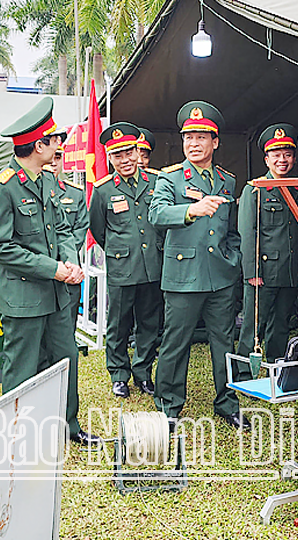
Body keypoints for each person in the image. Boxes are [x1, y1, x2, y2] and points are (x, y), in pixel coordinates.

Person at [0, 96, 100, 446]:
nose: (59, 146)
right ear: (38, 145)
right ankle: (15, 435)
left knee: (66, 360)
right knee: (21, 368)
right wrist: (53, 269)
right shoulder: (2, 187)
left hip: (57, 295)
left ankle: (69, 426)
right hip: (24, 297)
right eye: (54, 140)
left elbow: (63, 229)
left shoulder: (48, 182)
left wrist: (68, 262)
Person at [148, 101, 248, 429]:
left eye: (201, 137)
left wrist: (232, 258)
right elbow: (157, 214)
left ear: (215, 142)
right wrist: (191, 211)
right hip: (183, 276)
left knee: (224, 341)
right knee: (177, 342)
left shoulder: (227, 180)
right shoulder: (171, 178)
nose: (193, 143)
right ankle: (169, 404)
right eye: (188, 136)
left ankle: (227, 400)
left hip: (220, 274)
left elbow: (231, 227)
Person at [88, 122, 163, 398]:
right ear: (109, 157)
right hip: (122, 266)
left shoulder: (156, 181)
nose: (125, 160)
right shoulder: (103, 189)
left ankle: (143, 372)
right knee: (118, 323)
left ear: (138, 151)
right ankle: (119, 374)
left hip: (153, 265)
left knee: (149, 322)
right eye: (117, 155)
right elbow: (98, 229)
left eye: (129, 152)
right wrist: (120, 250)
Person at [235, 124, 298, 369]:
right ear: (266, 159)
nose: (282, 160)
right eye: (276, 155)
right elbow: (247, 233)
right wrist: (251, 271)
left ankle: (276, 369)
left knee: (281, 324)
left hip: (290, 270)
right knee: (253, 327)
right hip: (264, 271)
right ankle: (242, 376)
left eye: (287, 154)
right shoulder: (255, 189)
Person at [41, 145, 88, 362]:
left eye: (58, 157)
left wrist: (67, 263)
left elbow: (77, 231)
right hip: (41, 272)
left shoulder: (75, 193)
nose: (53, 162)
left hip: (68, 273)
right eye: (51, 156)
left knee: (65, 332)